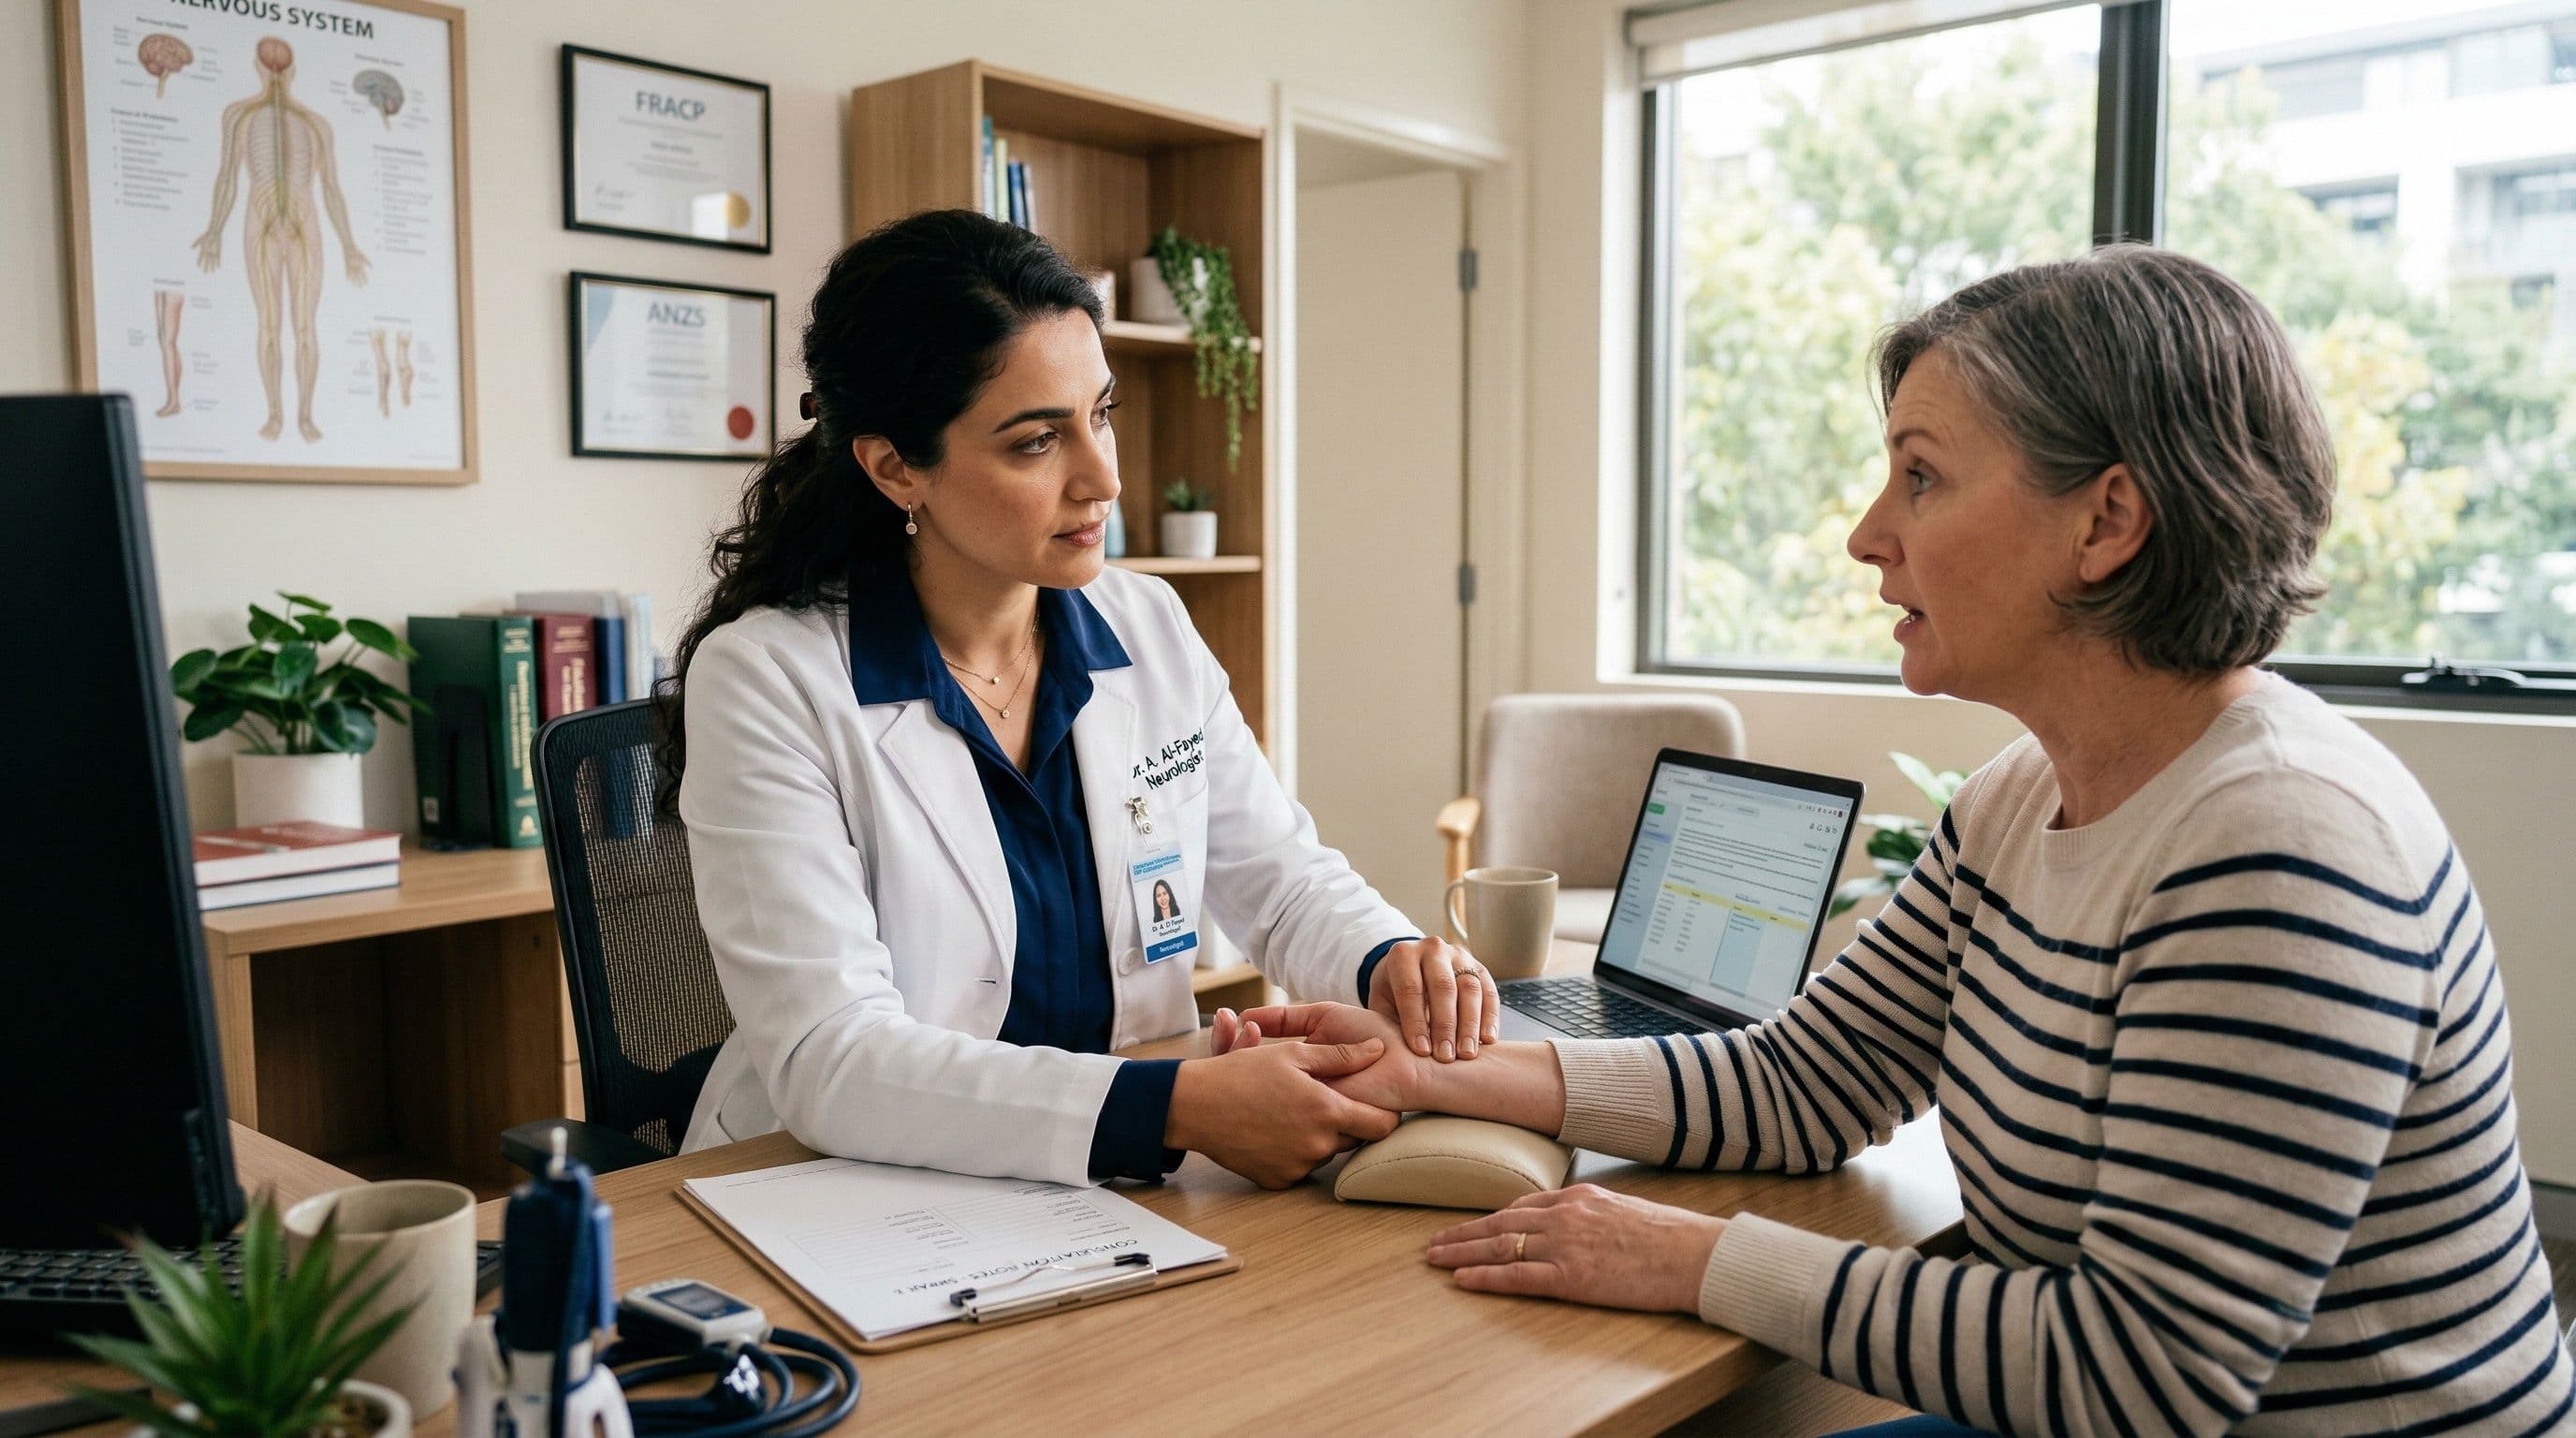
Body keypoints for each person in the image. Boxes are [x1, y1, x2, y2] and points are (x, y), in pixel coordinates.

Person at [1225, 246, 2575, 1434]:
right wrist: (1446, 1072)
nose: (1867, 535)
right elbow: (1805, 1082)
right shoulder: (2018, 797)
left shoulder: (2277, 845)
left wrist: (1690, 1260)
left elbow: (2143, 1377)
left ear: (2107, 521)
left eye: (1921, 477)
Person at [664, 210, 1497, 1191]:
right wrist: (1175, 1108)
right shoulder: (768, 679)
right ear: (895, 468)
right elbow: (833, 1059)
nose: (1103, 478)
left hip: (1116, 1184)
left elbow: (1280, 880)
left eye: (1101, 414)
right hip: (855, 1188)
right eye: (1036, 442)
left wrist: (1388, 958)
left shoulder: (1146, 625)